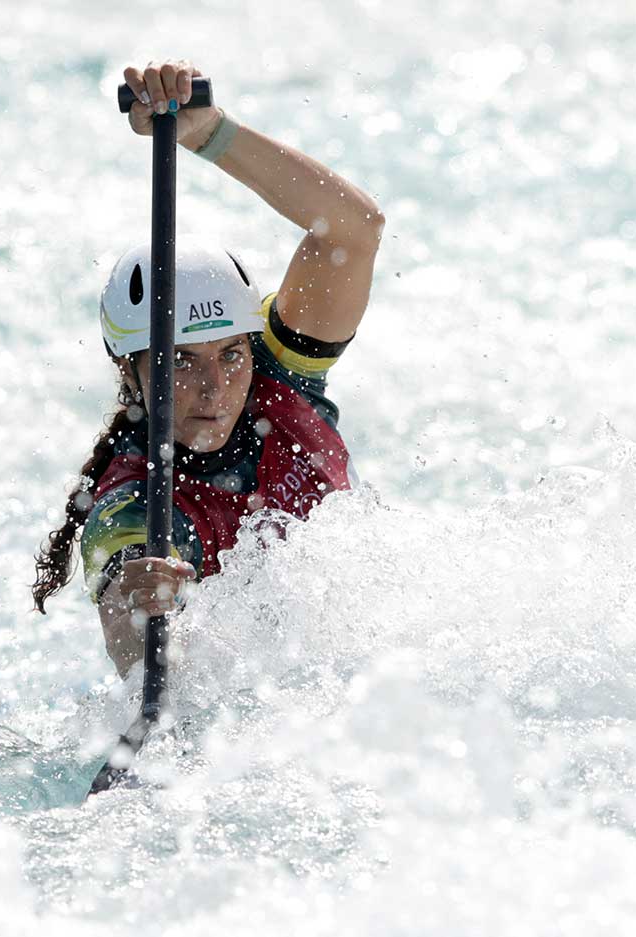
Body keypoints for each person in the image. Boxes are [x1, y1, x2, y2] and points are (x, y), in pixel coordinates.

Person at [32, 60, 384, 677]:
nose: (217, 388)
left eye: (229, 354)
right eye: (180, 363)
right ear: (131, 368)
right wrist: (140, 607)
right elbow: (129, 630)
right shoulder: (132, 502)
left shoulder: (282, 376)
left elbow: (354, 231)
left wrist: (208, 132)